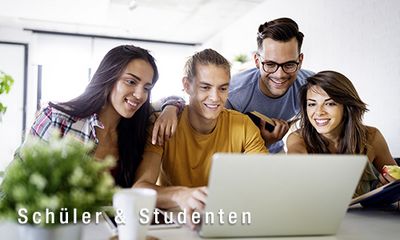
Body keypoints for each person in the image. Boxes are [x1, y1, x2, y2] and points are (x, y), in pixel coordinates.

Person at [134, 49, 267, 228]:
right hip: (177, 222)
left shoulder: (243, 125)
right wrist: (181, 195)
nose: (215, 98)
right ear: (187, 85)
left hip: (227, 221)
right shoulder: (163, 125)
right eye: (205, 87)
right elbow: (140, 189)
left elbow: (264, 183)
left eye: (223, 88)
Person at [153, 17, 314, 153]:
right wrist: (171, 106)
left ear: (300, 61)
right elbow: (224, 149)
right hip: (238, 155)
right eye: (270, 64)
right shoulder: (233, 92)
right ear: (257, 61)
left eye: (289, 65)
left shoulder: (312, 86)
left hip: (274, 153)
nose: (280, 74)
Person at [24, 45, 159, 188]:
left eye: (146, 88)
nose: (139, 95)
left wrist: (171, 106)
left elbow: (172, 103)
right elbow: (15, 185)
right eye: (131, 82)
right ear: (109, 77)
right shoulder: (57, 119)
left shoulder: (141, 128)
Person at [286, 70, 398, 196]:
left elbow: (396, 180)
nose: (318, 112)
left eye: (330, 103)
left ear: (346, 107)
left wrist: (391, 190)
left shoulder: (371, 137)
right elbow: (296, 160)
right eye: (312, 104)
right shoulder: (298, 138)